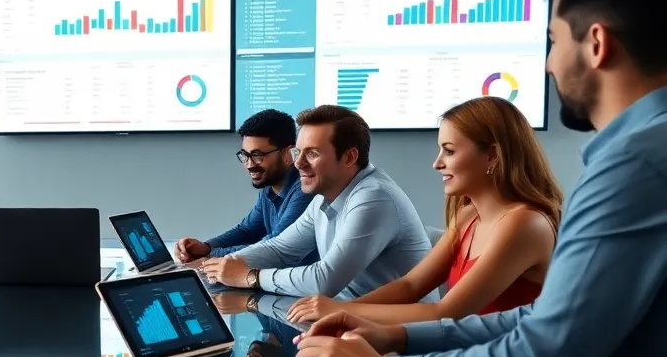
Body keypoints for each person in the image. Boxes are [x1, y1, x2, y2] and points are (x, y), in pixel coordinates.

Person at [294, 0, 667, 357]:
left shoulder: (637, 165)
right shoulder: (639, 156)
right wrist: (391, 336)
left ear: (596, 43)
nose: (546, 63)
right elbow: (537, 325)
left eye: (551, 41)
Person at [288, 96, 562, 324]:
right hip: (467, 356)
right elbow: (410, 286)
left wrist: (340, 311)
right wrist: (338, 315)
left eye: (449, 151)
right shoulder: (468, 216)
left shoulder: (525, 224)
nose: (437, 163)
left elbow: (447, 313)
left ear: (491, 155)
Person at [202, 105, 433, 299]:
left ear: (350, 157)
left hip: (402, 336)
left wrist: (248, 276)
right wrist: (221, 266)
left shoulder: (374, 198)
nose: (298, 163)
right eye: (298, 153)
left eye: (312, 153)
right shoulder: (325, 196)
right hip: (355, 318)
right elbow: (281, 248)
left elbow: (323, 280)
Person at [174, 110, 315, 263]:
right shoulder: (269, 187)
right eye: (245, 155)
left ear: (289, 154)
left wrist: (209, 256)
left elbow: (274, 245)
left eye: (257, 155)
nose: (249, 165)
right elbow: (247, 230)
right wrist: (206, 247)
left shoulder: (304, 190)